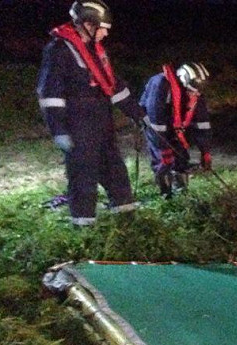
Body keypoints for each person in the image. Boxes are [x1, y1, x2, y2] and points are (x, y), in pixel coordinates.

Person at [37, 1, 148, 226]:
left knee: (115, 170)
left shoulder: (95, 50)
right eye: (103, 28)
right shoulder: (59, 50)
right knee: (83, 176)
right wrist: (59, 130)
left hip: (102, 123)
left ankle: (126, 220)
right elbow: (51, 94)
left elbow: (113, 86)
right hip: (78, 126)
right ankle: (84, 227)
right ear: (88, 24)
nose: (106, 34)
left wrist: (138, 114)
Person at [140, 62, 213, 198]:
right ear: (184, 79)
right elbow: (155, 119)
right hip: (154, 125)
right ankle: (165, 195)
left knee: (181, 157)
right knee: (164, 160)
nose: (196, 91)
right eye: (194, 87)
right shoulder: (160, 84)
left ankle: (181, 192)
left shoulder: (195, 92)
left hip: (176, 125)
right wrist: (163, 148)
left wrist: (205, 151)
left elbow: (202, 123)